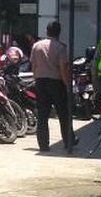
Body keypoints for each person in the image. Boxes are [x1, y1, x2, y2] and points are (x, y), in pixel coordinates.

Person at [30, 20, 74, 153]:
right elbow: (63, 68)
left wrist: (37, 78)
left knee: (42, 115)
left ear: (46, 31)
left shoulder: (36, 46)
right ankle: (68, 141)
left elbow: (34, 66)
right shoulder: (61, 47)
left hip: (40, 82)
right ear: (59, 33)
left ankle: (43, 145)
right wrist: (67, 86)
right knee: (63, 113)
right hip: (56, 83)